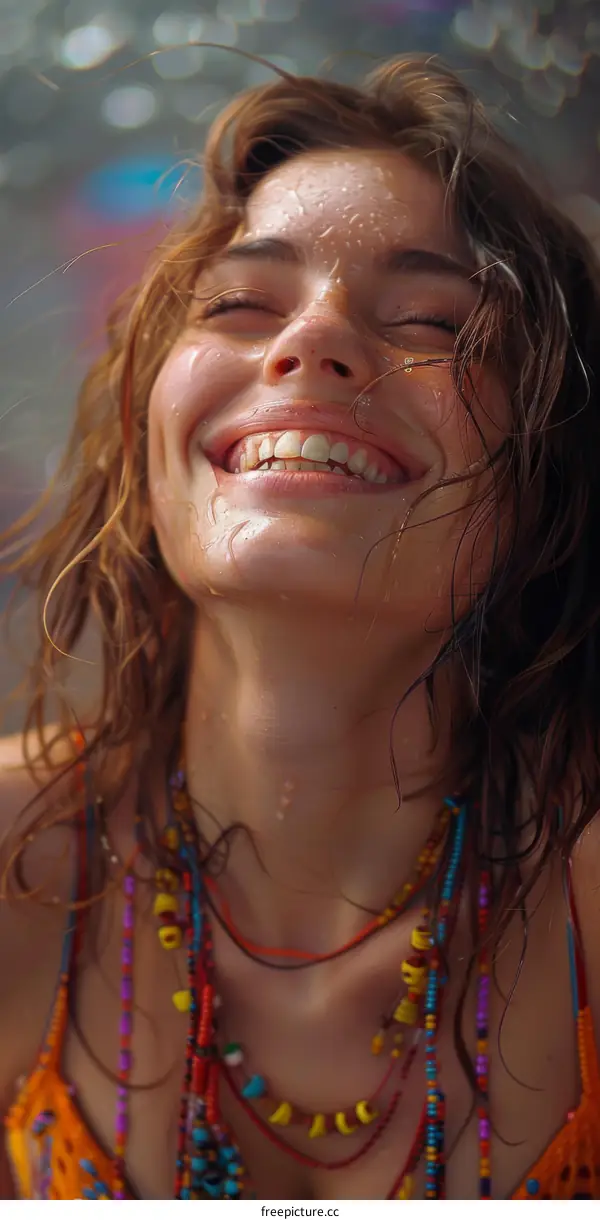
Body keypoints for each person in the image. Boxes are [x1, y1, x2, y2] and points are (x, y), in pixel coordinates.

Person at [1, 51, 600, 1202]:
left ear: (551, 475)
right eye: (238, 303)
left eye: (431, 319)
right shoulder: (17, 865)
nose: (308, 342)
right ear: (145, 425)